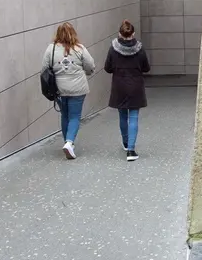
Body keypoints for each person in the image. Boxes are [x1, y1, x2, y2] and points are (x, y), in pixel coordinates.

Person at [42, 22, 95, 159]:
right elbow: (90, 66)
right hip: (77, 89)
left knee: (65, 116)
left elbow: (44, 69)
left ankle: (67, 142)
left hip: (59, 90)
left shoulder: (51, 49)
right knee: (74, 116)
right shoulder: (79, 48)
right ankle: (69, 142)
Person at [104, 19, 151, 162]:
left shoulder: (113, 49)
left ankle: (125, 142)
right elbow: (146, 68)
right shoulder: (139, 49)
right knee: (134, 117)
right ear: (133, 33)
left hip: (119, 86)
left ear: (119, 33)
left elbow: (107, 68)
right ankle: (131, 150)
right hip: (135, 86)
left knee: (123, 116)